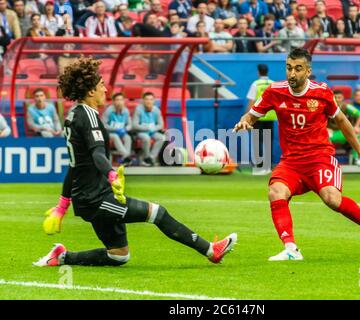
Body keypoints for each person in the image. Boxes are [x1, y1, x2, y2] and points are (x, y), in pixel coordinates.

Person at [34, 57, 237, 268]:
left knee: (118, 255)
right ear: (91, 92)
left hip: (91, 197)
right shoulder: (89, 117)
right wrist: (112, 175)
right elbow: (97, 154)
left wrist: (62, 206)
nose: (106, 89)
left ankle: (62, 256)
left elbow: (76, 165)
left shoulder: (74, 115)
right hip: (96, 199)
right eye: (101, 84)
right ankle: (212, 250)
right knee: (157, 212)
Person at [233, 48, 360, 261]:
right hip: (291, 162)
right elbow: (251, 115)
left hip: (320, 158)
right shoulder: (274, 91)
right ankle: (291, 249)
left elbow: (343, 121)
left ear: (308, 71)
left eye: (298, 69)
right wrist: (245, 121)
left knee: (331, 199)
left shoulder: (322, 92)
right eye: (289, 68)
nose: (292, 74)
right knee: (276, 192)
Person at [246, 64, 274, 175]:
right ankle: (268, 165)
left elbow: (252, 101)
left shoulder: (256, 84)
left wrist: (249, 117)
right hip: (270, 116)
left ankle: (259, 165)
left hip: (258, 116)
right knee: (269, 142)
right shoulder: (273, 84)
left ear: (258, 72)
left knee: (258, 141)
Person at [327, 90, 360, 165]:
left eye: (339, 97)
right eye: (335, 97)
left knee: (356, 134)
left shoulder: (347, 106)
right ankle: (328, 160)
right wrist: (325, 128)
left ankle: (356, 158)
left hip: (343, 132)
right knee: (325, 137)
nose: (337, 99)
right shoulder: (327, 107)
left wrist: (356, 126)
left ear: (343, 98)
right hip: (332, 132)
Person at [133, 91, 166, 167]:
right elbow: (134, 125)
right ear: (143, 101)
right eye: (147, 99)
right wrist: (147, 128)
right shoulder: (138, 109)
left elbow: (161, 125)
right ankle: (146, 157)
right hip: (141, 132)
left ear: (154, 101)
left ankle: (150, 158)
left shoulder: (156, 110)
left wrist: (153, 128)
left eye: (151, 99)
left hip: (152, 131)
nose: (149, 101)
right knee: (146, 138)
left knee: (162, 137)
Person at [102, 93, 133, 166]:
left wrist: (125, 129)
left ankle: (125, 159)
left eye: (121, 100)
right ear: (113, 101)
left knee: (128, 137)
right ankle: (126, 156)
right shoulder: (109, 110)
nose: (119, 102)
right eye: (117, 100)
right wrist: (115, 129)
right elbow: (103, 125)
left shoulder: (126, 111)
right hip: (110, 132)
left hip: (122, 132)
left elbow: (130, 125)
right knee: (115, 137)